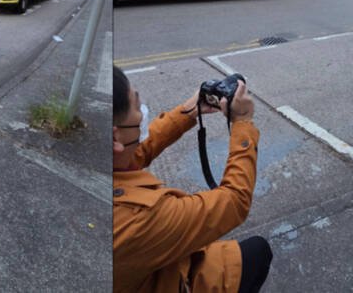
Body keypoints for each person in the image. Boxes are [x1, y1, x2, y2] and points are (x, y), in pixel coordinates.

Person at [113, 66, 272, 292]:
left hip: (147, 271)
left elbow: (135, 154)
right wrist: (243, 123)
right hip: (171, 279)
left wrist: (191, 109)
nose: (142, 113)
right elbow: (234, 201)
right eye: (137, 106)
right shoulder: (135, 220)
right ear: (114, 138)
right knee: (257, 252)